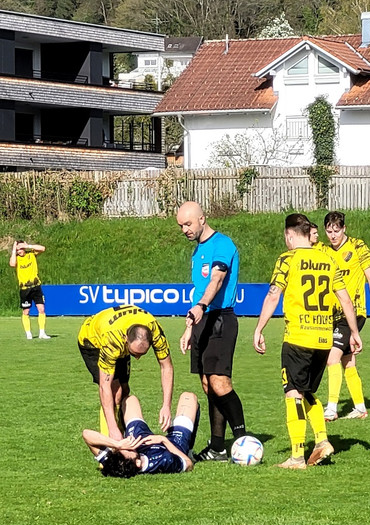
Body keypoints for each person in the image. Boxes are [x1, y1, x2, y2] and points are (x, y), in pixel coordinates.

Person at [253, 213, 363, 469]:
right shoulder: (327, 258)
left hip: (298, 337)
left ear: (290, 235)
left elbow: (273, 295)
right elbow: (345, 299)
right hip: (324, 339)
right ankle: (322, 440)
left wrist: (259, 328)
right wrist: (355, 333)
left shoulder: (287, 259)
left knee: (293, 392)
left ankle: (296, 456)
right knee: (307, 392)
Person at [176, 201, 247, 462]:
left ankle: (243, 441)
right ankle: (217, 446)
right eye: (181, 226)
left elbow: (216, 281)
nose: (185, 229)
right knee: (208, 385)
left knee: (220, 383)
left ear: (202, 219)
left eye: (188, 224)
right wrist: (189, 328)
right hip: (202, 319)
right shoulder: (197, 251)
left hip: (220, 319)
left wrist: (201, 306)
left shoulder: (222, 245)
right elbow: (199, 288)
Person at [321, 211, 370, 421]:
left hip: (354, 312)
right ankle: (360, 407)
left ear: (344, 229)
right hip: (333, 314)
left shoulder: (358, 247)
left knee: (332, 358)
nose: (333, 235)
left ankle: (331, 408)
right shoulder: (323, 251)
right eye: (329, 231)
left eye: (336, 231)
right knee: (348, 362)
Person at [78, 304, 174, 440]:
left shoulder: (155, 330)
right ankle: (111, 444)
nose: (138, 358)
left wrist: (166, 406)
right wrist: (112, 428)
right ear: (126, 339)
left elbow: (167, 367)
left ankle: (125, 436)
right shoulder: (112, 340)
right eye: (134, 353)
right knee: (115, 391)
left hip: (119, 336)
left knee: (124, 390)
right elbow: (104, 386)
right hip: (92, 340)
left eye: (142, 354)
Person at [82, 392, 198, 477]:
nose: (124, 449)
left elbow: (86, 434)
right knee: (188, 397)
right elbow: (188, 464)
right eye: (127, 452)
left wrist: (117, 444)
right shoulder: (163, 461)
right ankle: (189, 449)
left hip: (141, 438)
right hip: (174, 445)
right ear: (137, 463)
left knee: (129, 400)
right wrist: (163, 440)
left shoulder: (115, 462)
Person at [10, 240, 49, 340]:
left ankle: (42, 333)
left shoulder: (31, 254)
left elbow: (43, 248)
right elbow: (12, 264)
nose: (20, 251)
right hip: (25, 289)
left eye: (21, 248)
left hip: (36, 286)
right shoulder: (17, 258)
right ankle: (28, 333)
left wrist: (28, 245)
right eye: (18, 249)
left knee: (41, 309)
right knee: (26, 311)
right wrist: (14, 250)